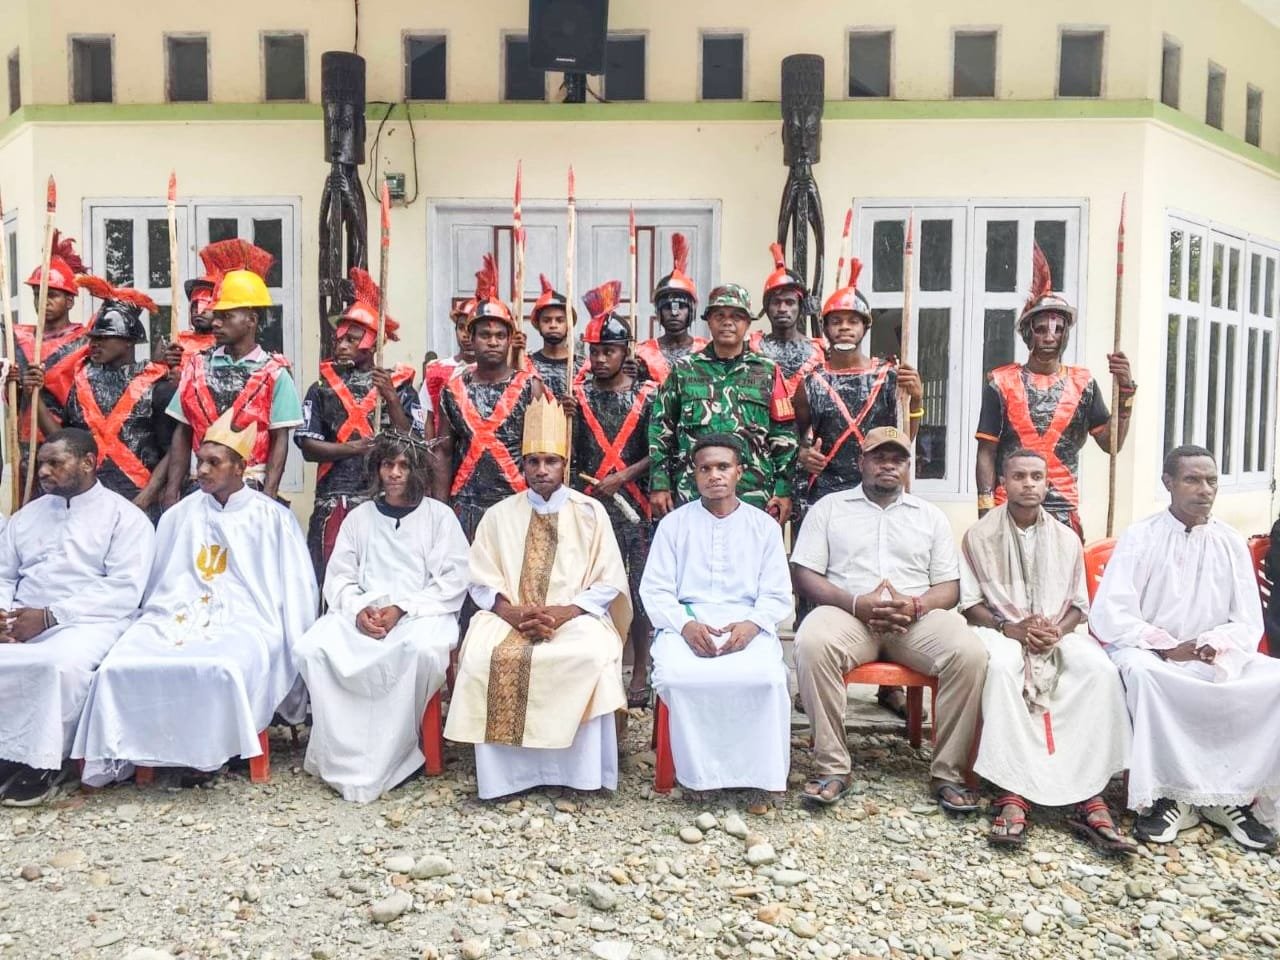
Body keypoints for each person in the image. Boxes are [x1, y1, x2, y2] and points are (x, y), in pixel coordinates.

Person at [73, 409, 317, 786]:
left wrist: (295, 649)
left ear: (240, 467)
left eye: (213, 463)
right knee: (122, 662)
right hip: (175, 613)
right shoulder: (178, 516)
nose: (201, 470)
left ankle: (215, 749)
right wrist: (163, 613)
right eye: (199, 461)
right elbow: (158, 582)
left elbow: (298, 591)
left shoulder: (273, 519)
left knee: (225, 665)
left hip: (250, 619)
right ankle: (139, 751)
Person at [1091, 445, 1280, 851]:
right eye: (1192, 480)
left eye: (1211, 480)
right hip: (1149, 651)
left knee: (1274, 680)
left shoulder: (1229, 541)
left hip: (1214, 655)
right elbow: (1111, 613)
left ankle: (1229, 797)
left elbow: (1248, 620)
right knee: (1146, 678)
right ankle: (1169, 799)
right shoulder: (1142, 536)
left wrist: (1216, 644)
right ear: (1169, 483)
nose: (1204, 489)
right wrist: (1167, 647)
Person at [444, 395, 631, 800]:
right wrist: (511, 613)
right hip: (508, 616)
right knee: (482, 654)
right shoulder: (499, 514)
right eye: (533, 462)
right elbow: (479, 580)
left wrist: (564, 612)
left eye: (550, 461)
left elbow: (608, 580)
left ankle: (579, 774)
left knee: (589, 655)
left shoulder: (590, 512)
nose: (542, 470)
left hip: (577, 616)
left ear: (564, 464)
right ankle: (507, 778)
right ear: (523, 465)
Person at [791, 426, 987, 811]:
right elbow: (804, 574)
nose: (888, 465)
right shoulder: (829, 508)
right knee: (812, 642)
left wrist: (916, 606)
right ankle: (832, 767)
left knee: (970, 653)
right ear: (861, 462)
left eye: (898, 459)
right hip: (849, 617)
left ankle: (948, 773)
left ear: (908, 468)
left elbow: (949, 586)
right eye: (879, 457)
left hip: (914, 620)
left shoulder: (930, 516)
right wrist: (854, 603)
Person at [959, 448, 1133, 852]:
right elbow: (969, 605)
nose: (1028, 484)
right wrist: (1010, 628)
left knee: (1099, 671)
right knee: (1003, 669)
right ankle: (1013, 790)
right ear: (1003, 483)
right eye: (1019, 476)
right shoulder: (979, 535)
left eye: (1036, 477)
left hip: (1057, 631)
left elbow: (1078, 606)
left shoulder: (1066, 537)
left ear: (1047, 483)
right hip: (1001, 630)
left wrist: (1057, 631)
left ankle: (1090, 790)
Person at [294, 432, 469, 803]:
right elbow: (339, 577)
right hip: (364, 611)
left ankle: (402, 748)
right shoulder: (359, 519)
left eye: (403, 465)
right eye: (388, 464)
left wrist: (402, 608)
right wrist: (359, 611)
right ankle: (340, 753)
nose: (394, 473)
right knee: (314, 648)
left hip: (421, 612)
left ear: (418, 471)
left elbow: (453, 579)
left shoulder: (439, 517)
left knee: (420, 651)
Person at [0, 429, 154, 805]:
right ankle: (8, 754)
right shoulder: (25, 517)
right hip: (21, 619)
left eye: (55, 463)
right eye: (41, 463)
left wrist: (52, 616)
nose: (43, 472)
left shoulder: (124, 518)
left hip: (90, 621)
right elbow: (4, 574)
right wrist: (2, 615)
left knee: (56, 665)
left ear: (88, 463)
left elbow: (124, 589)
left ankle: (46, 761)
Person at [641, 434, 793, 793]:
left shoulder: (764, 527)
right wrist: (685, 625)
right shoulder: (674, 524)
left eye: (723, 467)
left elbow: (777, 593)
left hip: (747, 624)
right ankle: (696, 773)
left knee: (767, 679)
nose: (714, 476)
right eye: (705, 469)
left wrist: (753, 625)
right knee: (678, 677)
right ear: (694, 475)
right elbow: (655, 590)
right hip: (686, 623)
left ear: (739, 471)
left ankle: (757, 775)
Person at [975, 245, 1135, 537]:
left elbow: (1111, 445)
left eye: (1058, 329)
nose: (1050, 337)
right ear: (1028, 333)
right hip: (1008, 506)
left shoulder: (1083, 384)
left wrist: (1125, 393)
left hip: (1062, 509)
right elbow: (986, 451)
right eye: (1041, 329)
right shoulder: (1001, 382)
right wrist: (985, 511)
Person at [297, 267, 421, 583]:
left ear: (373, 342)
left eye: (352, 339)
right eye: (340, 338)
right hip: (333, 497)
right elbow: (308, 447)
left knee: (380, 578)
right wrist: (353, 448)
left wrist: (391, 398)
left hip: (383, 498)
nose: (342, 345)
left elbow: (414, 443)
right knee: (331, 577)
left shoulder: (399, 386)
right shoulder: (321, 387)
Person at [164, 241, 303, 504]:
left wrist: (269, 495)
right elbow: (182, 432)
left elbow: (279, 439)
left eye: (226, 316)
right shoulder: (195, 366)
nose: (216, 322)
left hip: (251, 487)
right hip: (200, 487)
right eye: (216, 315)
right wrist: (172, 491)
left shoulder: (275, 373)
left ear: (251, 320)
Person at [571, 281, 656, 708]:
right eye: (595, 352)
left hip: (636, 507)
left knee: (638, 590)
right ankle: (596, 666)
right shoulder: (576, 396)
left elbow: (660, 450)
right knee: (588, 587)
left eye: (609, 351)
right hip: (589, 508)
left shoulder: (648, 396)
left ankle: (640, 669)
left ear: (626, 352)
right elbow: (568, 455)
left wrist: (623, 476)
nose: (601, 359)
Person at [649, 283, 796, 521]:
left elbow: (784, 434)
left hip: (753, 491)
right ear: (709, 321)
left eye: (736, 317)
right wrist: (659, 483)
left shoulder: (767, 371)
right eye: (720, 316)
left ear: (747, 323)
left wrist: (783, 490)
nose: (728, 322)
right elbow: (660, 429)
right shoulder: (684, 370)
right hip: (692, 490)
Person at [433, 255, 545, 541]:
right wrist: (440, 509)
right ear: (471, 338)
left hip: (517, 503)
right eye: (485, 335)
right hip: (465, 504)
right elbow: (444, 451)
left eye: (500, 335)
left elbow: (543, 452)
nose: (493, 342)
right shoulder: (452, 389)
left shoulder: (530, 386)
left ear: (509, 340)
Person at [55, 276, 175, 520]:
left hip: (140, 499)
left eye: (104, 337)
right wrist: (33, 397)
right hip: (87, 501)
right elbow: (65, 439)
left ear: (128, 341)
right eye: (93, 338)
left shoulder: (158, 386)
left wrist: (147, 496)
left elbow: (173, 450)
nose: (94, 344)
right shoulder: (80, 384)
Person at [8, 231, 89, 494]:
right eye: (37, 294)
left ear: (69, 301)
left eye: (51, 294)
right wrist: (12, 384)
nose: (42, 301)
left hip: (65, 441)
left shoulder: (85, 341)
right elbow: (13, 401)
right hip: (25, 441)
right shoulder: (18, 339)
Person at [749, 243, 825, 398]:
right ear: (767, 307)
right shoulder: (753, 349)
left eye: (790, 302)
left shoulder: (818, 352)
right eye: (776, 302)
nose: (782, 308)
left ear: (800, 307)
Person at [635, 234, 707, 385]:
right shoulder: (641, 352)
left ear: (691, 310)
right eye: (668, 307)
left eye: (681, 306)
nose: (674, 313)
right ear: (658, 311)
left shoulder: (707, 351)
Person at [421, 298, 475, 432]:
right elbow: (429, 419)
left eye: (472, 328)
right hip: (443, 443)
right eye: (461, 328)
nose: (466, 335)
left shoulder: (494, 372)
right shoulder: (436, 370)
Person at [525, 274, 582, 399]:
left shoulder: (583, 367)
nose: (553, 325)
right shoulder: (528, 365)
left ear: (569, 324)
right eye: (546, 320)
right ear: (538, 324)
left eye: (560, 320)